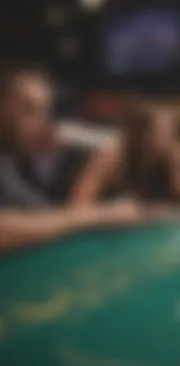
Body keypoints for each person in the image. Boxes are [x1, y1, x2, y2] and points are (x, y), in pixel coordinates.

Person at [0, 64, 144, 252]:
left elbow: (53, 219)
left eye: (45, 111)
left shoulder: (16, 162)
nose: (43, 123)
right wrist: (101, 214)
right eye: (29, 110)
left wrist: (96, 172)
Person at [70, 98, 180, 217]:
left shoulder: (172, 156)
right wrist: (110, 211)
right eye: (165, 132)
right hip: (103, 225)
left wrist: (177, 169)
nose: (171, 138)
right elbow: (78, 206)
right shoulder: (114, 154)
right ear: (144, 133)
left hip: (140, 227)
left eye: (173, 131)